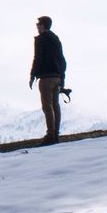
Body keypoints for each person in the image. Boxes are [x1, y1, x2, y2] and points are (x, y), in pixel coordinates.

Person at [29, 15, 66, 144]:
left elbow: (37, 58)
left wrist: (32, 75)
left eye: (38, 25)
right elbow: (62, 61)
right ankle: (55, 134)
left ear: (43, 26)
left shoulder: (40, 40)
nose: (37, 27)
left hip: (45, 78)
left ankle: (50, 136)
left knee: (47, 107)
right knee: (56, 106)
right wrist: (62, 79)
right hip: (57, 77)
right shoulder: (56, 40)